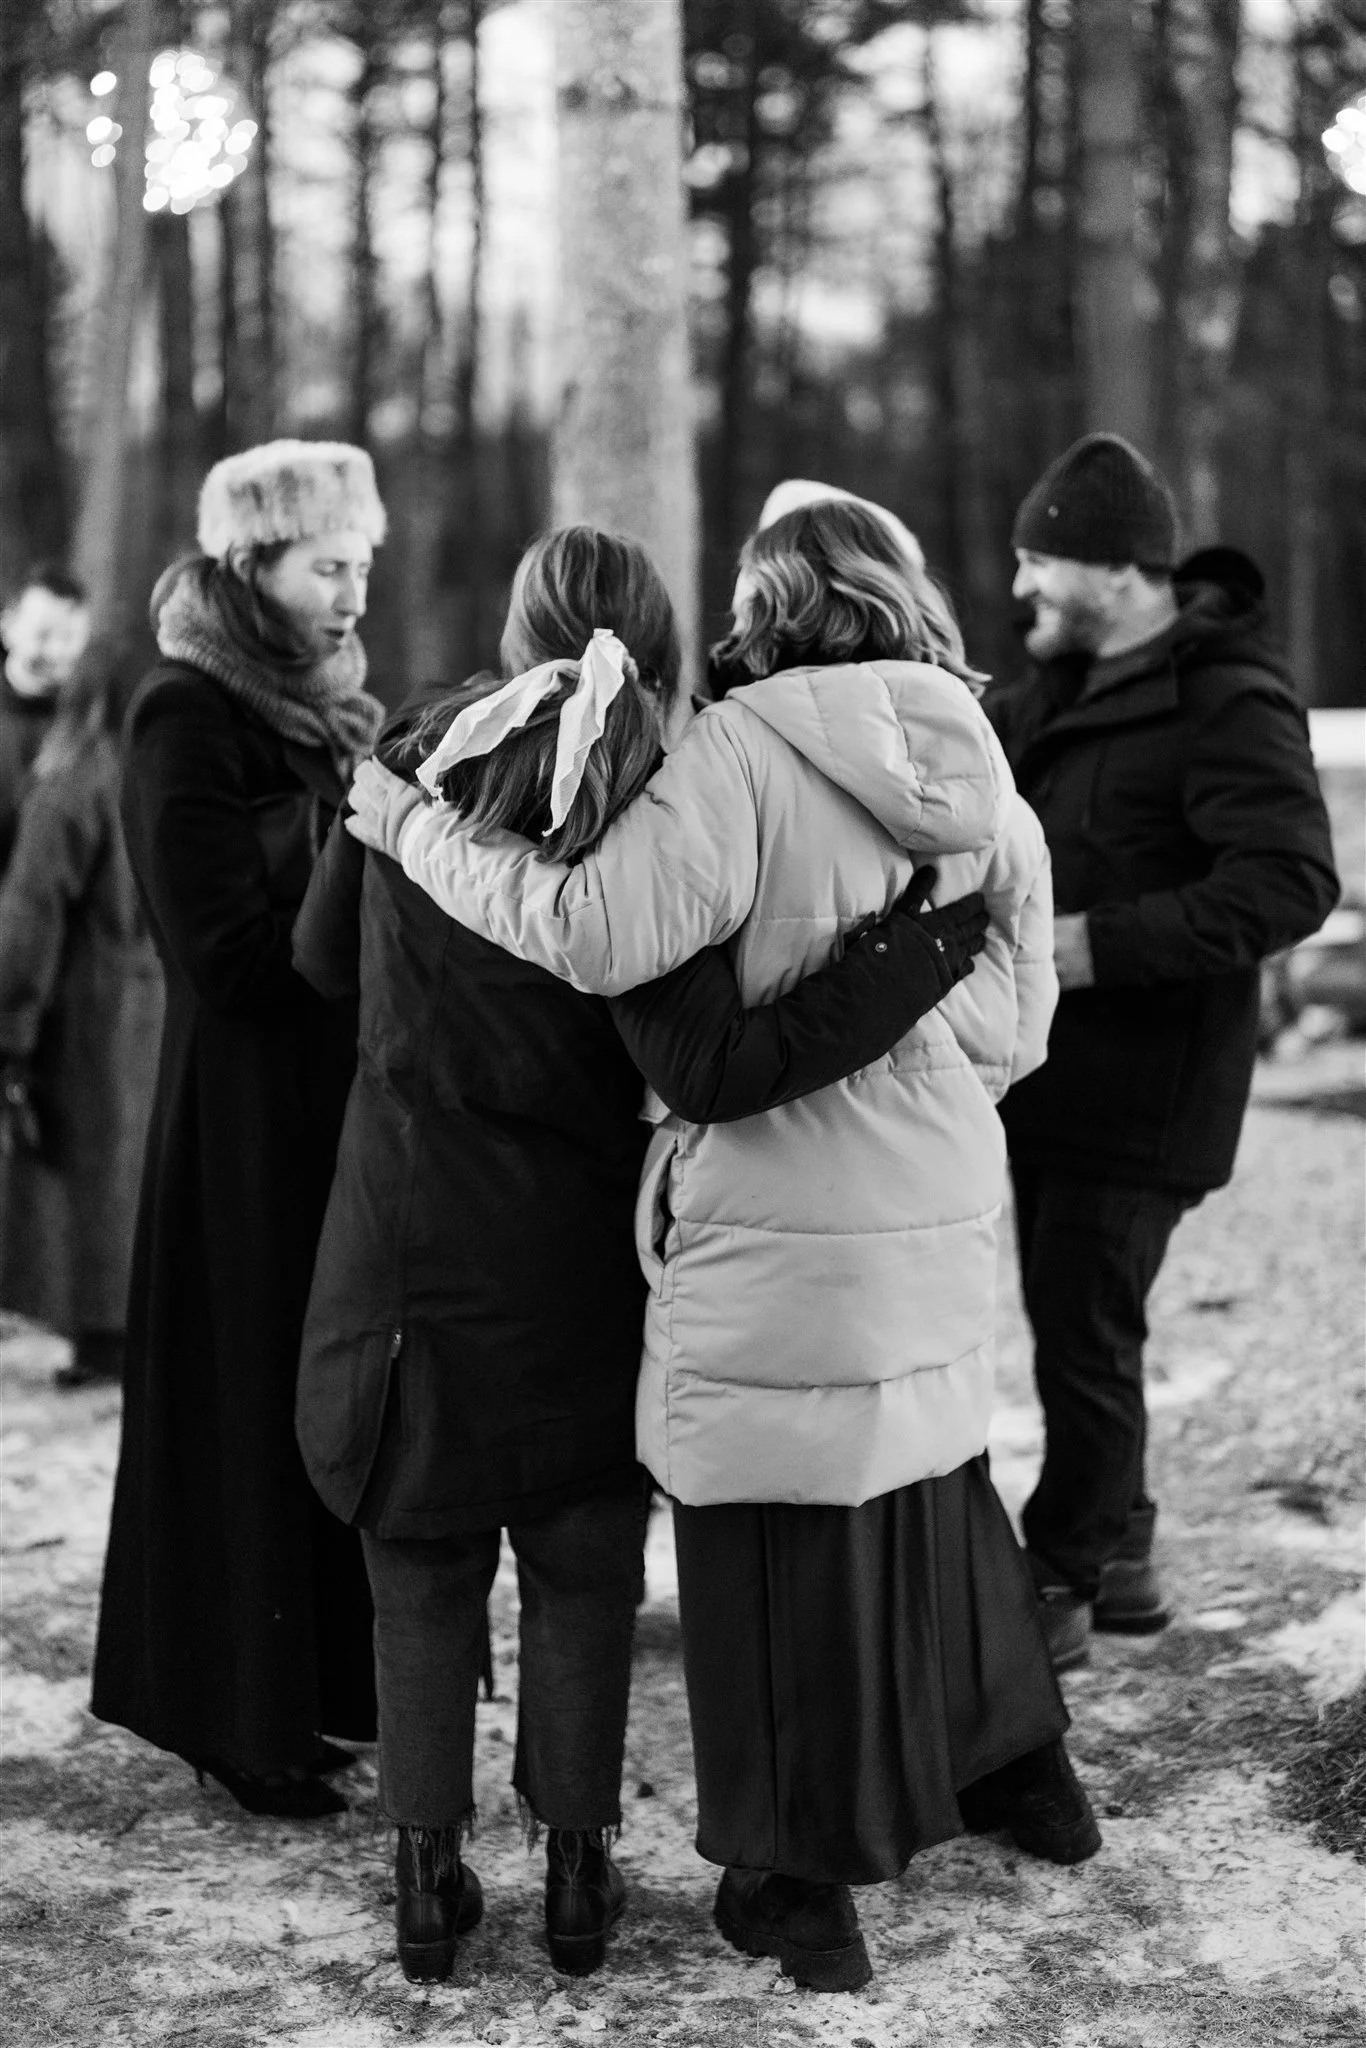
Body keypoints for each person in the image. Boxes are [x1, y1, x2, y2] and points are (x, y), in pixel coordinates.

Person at [346, 499, 1100, 1994]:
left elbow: (594, 937)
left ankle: (793, 1885)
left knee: (764, 1554)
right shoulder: (979, 761)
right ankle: (1016, 1769)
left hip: (776, 1214)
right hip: (937, 1198)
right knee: (915, 1487)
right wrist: (887, 1018)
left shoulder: (741, 757)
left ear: (770, 610)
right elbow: (1015, 1031)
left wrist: (413, 826)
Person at [985, 432, 1339, 1670]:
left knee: (1081, 1328)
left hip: (1147, 1086)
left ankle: (1065, 1574)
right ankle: (1123, 1550)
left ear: (1112, 568)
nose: (1021, 584)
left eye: (1039, 560)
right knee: (1082, 1318)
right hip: (1049, 1078)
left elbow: (1290, 881)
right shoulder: (1046, 694)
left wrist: (1093, 945)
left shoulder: (1223, 696)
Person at [90, 440, 387, 1818]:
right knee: (242, 1405)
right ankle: (237, 1717)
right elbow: (230, 959)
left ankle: (320, 1691)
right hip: (239, 1130)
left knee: (326, 1401)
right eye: (326, 566)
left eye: (360, 566)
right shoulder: (181, 713)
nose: (349, 595)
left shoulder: (332, 711)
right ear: (250, 565)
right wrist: (363, 846)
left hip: (335, 1111)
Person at [0, 637, 163, 1388]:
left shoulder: (71, 782)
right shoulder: (162, 776)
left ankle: (102, 1333)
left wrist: (11, 1031)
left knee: (89, 1171)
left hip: (88, 1004)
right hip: (158, 1000)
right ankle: (121, 1331)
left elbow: (29, 914)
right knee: (130, 1168)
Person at [1, 564, 91, 872]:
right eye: (43, 634)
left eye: (69, 637)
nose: (56, 651)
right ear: (8, 626)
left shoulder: (92, 725)